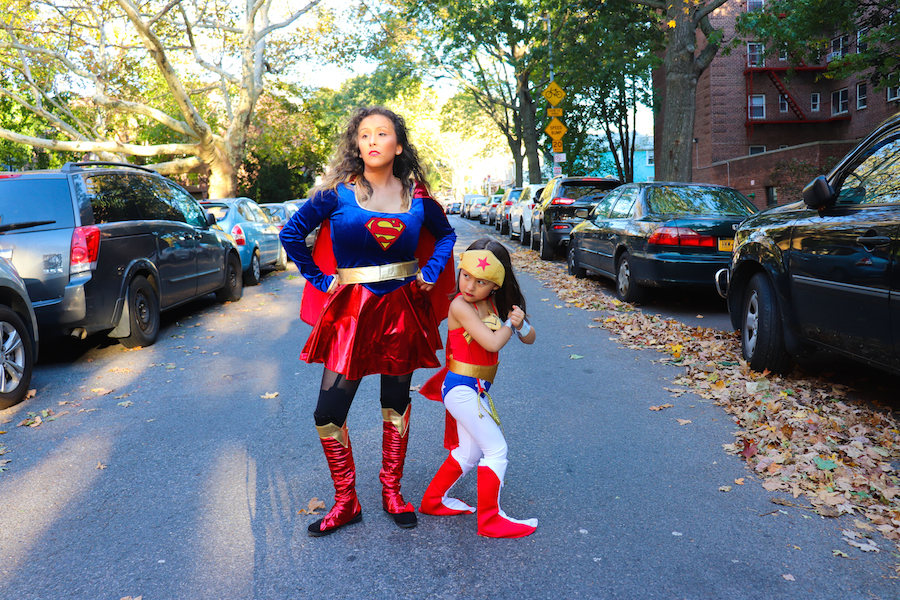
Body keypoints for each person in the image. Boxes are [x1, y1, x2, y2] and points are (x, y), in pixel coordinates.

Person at [279, 106, 456, 537]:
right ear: (356, 144)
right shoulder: (336, 194)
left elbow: (447, 235)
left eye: (382, 133)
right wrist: (322, 281)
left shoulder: (418, 198)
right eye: (364, 134)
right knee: (328, 411)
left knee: (395, 405)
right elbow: (291, 234)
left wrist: (430, 271)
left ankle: (392, 491)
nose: (373, 141)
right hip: (351, 315)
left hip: (402, 311)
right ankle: (347, 501)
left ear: (398, 144)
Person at [418, 238, 538, 538]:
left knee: (469, 454)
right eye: (466, 275)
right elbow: (493, 341)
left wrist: (520, 323)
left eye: (481, 281)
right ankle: (490, 520)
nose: (469, 285)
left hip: (475, 390)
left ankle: (432, 501)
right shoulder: (460, 304)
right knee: (497, 450)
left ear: (495, 284)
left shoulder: (494, 303)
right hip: (461, 389)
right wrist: (510, 325)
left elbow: (530, 337)